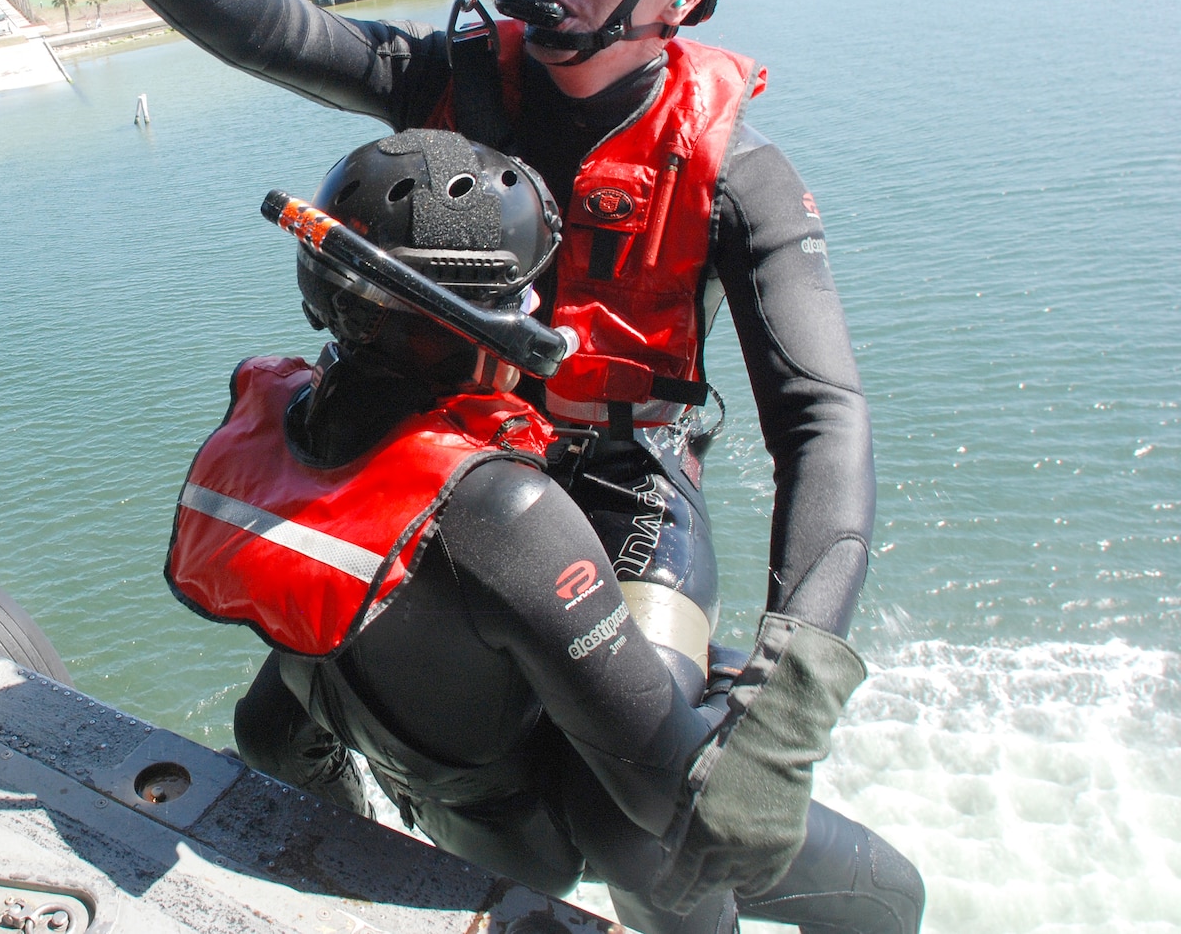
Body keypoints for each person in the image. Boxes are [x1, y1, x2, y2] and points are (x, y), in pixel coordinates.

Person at [0, 0, 920, 930]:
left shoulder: (732, 173)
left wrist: (792, 691)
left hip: (623, 484)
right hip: (443, 464)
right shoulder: (457, 81)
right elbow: (286, 34)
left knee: (652, 826)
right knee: (280, 721)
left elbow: (822, 416)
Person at [165, 130, 922, 934]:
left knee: (266, 720)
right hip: (525, 837)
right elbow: (666, 797)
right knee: (852, 883)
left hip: (413, 784)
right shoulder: (501, 516)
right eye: (523, 301)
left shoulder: (273, 416)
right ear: (488, 335)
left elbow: (292, 697)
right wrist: (751, 715)